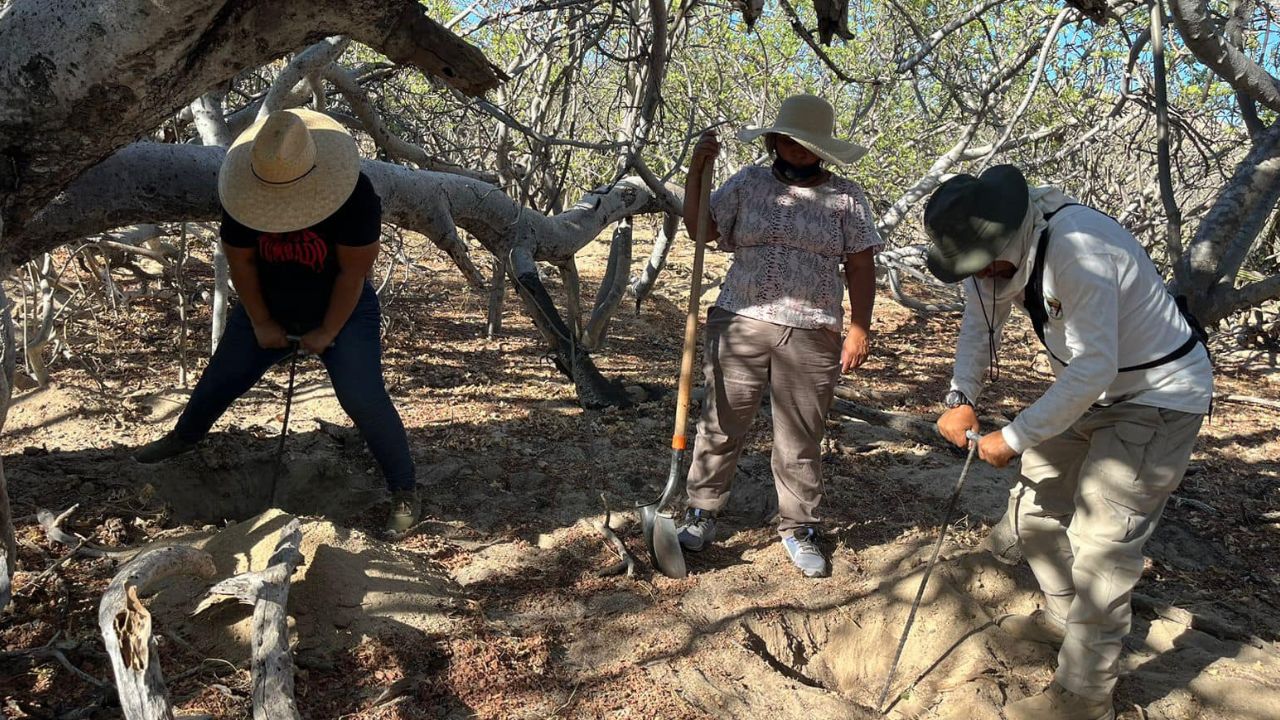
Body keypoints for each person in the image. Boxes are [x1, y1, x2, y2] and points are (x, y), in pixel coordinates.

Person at [924, 165, 1212, 720]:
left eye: (985, 268)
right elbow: (979, 326)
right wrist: (960, 394)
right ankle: (1063, 620)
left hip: (1158, 395)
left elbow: (1095, 366)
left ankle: (1084, 695)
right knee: (1034, 513)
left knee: (1103, 541)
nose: (982, 279)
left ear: (1006, 239)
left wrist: (1013, 436)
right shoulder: (983, 253)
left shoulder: (1077, 250)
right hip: (1090, 392)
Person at [135, 109, 420, 535]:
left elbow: (351, 274)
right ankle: (184, 439)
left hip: (342, 307)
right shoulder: (241, 194)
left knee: (362, 396)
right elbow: (242, 264)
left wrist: (326, 332)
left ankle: (404, 490)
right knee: (222, 377)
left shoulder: (355, 196)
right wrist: (262, 321)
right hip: (266, 304)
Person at [676, 94, 881, 578]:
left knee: (800, 435)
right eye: (789, 139)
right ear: (774, 140)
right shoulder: (747, 183)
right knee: (722, 419)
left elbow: (860, 263)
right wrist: (695, 175)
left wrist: (860, 326)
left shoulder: (846, 197)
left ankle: (799, 526)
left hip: (813, 329)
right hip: (740, 318)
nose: (798, 149)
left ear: (823, 148)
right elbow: (700, 229)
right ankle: (701, 510)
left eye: (808, 143)